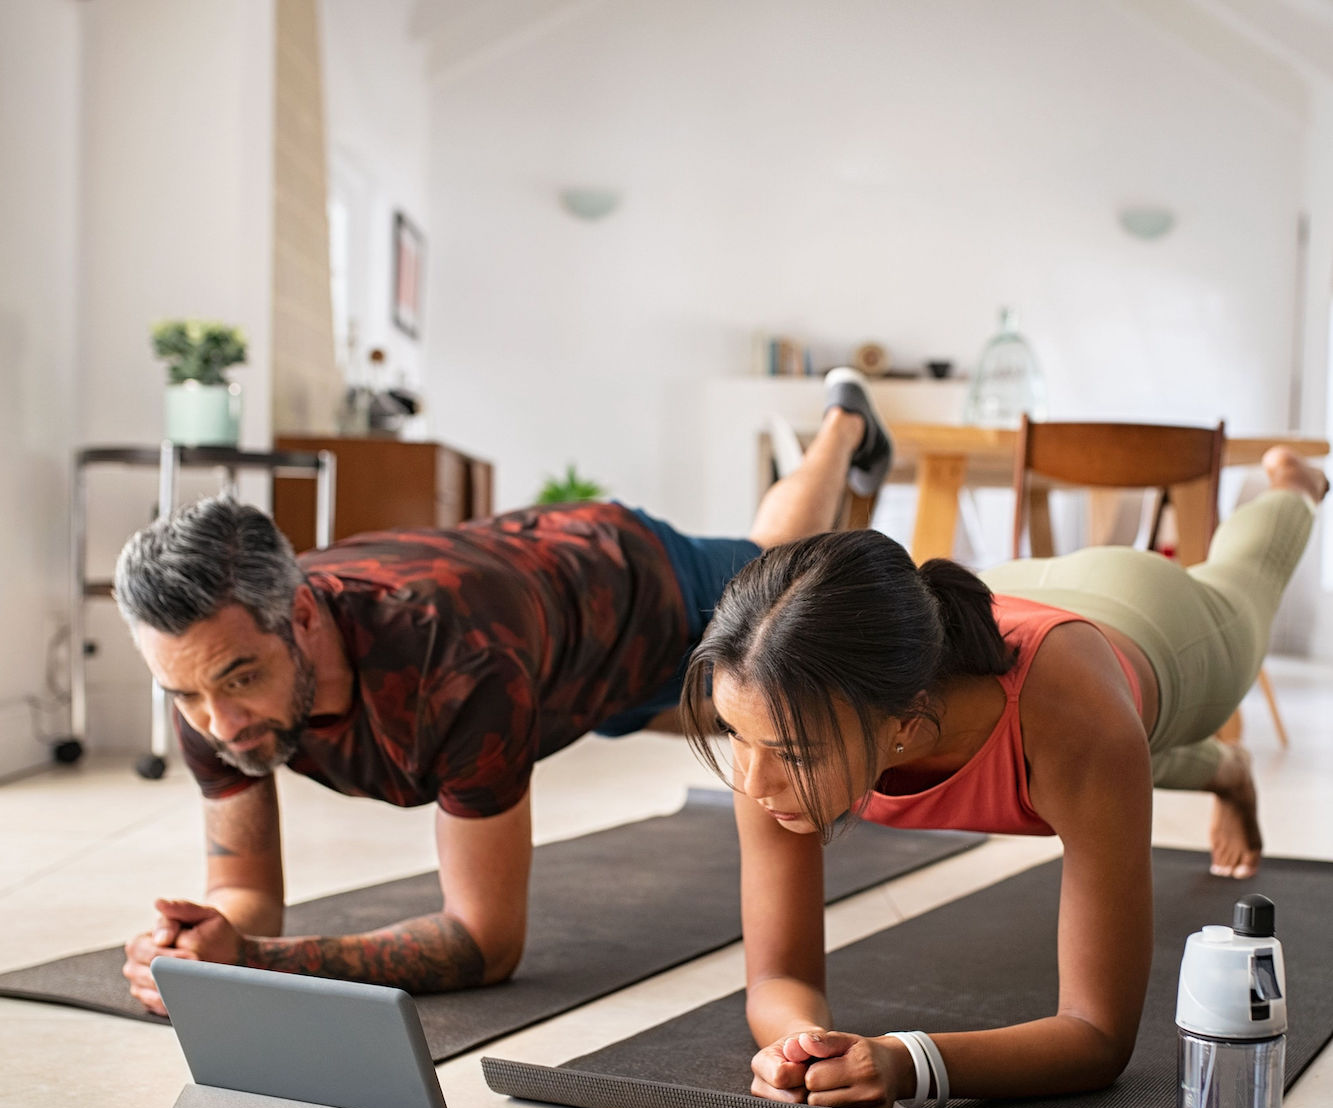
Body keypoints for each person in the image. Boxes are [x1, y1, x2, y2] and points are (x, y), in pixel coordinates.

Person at [115, 371, 894, 1015]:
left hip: (634, 591)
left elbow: (485, 941)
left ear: (304, 615)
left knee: (781, 565)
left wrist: (254, 963)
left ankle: (843, 425)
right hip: (546, 662)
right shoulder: (209, 671)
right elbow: (244, 889)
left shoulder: (454, 665)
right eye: (183, 694)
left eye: (240, 679)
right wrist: (203, 941)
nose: (217, 722)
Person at [680, 410, 1327, 1108]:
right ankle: (1221, 770)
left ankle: (1294, 486)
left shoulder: (1078, 726)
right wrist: (804, 1048)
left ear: (904, 722)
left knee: (1243, 584)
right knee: (1095, 777)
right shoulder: (778, 705)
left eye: (790, 754)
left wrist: (908, 1063)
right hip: (1000, 598)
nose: (748, 780)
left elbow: (1096, 1034)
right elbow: (775, 974)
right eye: (733, 736)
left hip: (1154, 620)